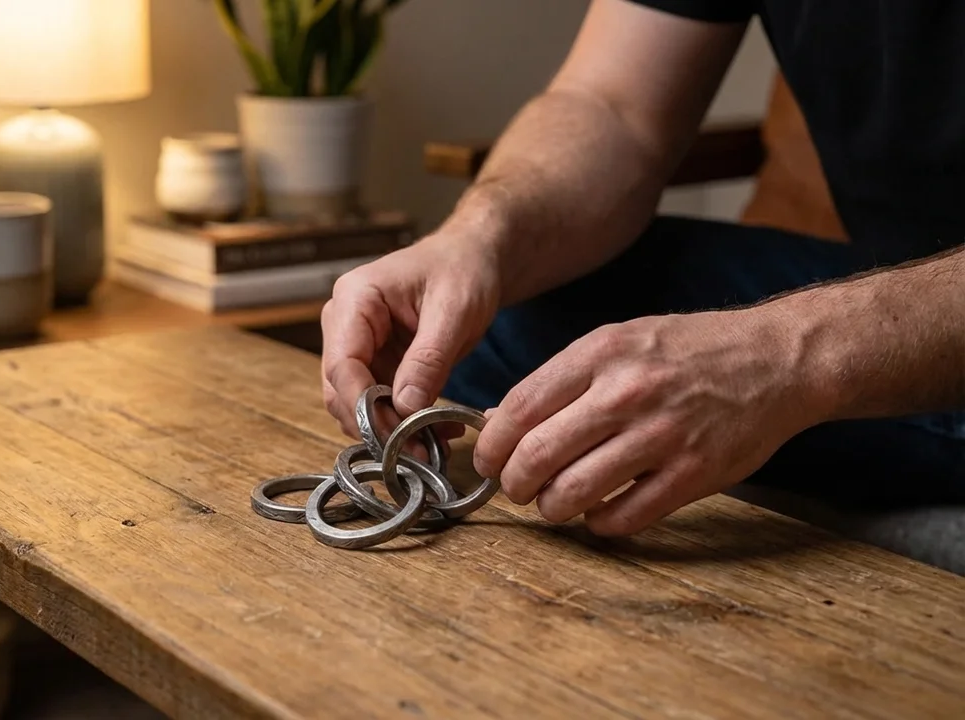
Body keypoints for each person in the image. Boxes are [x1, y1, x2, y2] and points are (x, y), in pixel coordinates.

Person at [319, 0, 965, 537]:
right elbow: (612, 106)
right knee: (492, 322)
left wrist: (786, 356)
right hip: (885, 270)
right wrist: (476, 241)